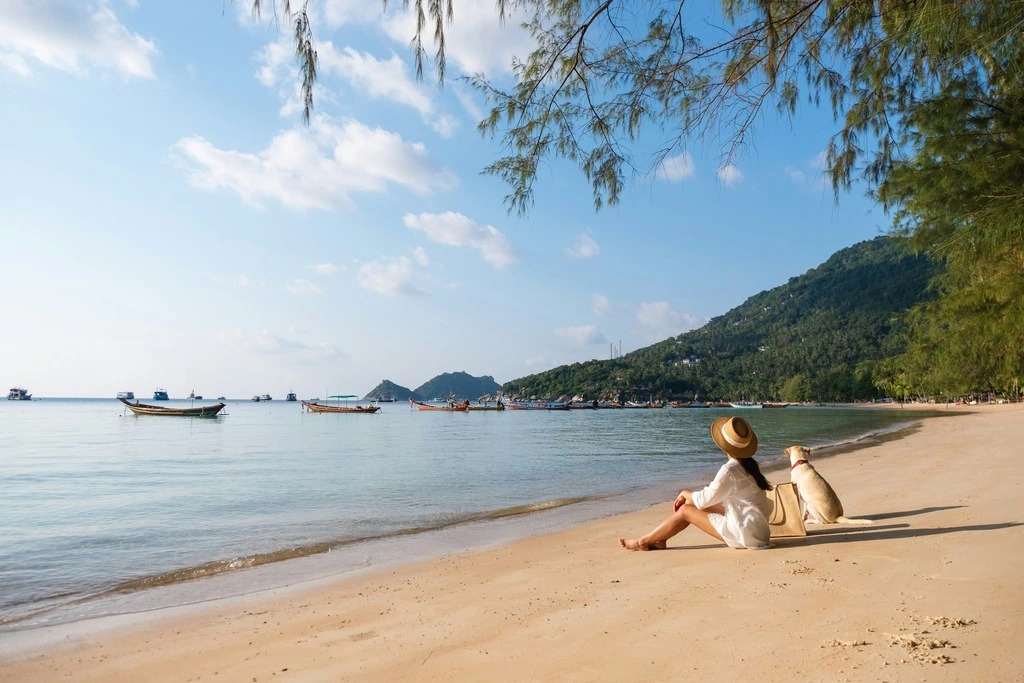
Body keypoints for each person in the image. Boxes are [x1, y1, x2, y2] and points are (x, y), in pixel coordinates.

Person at [619, 416, 773, 551]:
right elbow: (711, 497)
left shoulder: (730, 469)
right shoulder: (750, 465)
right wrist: (689, 497)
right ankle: (661, 539)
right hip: (759, 530)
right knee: (689, 503)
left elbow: (704, 499)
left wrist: (685, 493)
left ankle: (642, 542)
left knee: (686, 510)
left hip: (744, 534)